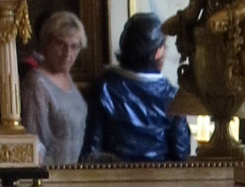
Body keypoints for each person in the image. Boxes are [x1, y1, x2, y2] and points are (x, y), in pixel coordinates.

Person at [81, 12, 191, 163]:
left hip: (114, 181)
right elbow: (182, 155)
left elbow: (91, 153)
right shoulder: (171, 96)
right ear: (158, 52)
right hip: (159, 182)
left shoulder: (105, 88)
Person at [22, 9, 89, 165]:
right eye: (61, 44)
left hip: (71, 174)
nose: (67, 54)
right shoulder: (37, 83)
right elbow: (34, 141)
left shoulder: (67, 77)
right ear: (47, 43)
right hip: (49, 177)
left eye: (74, 47)